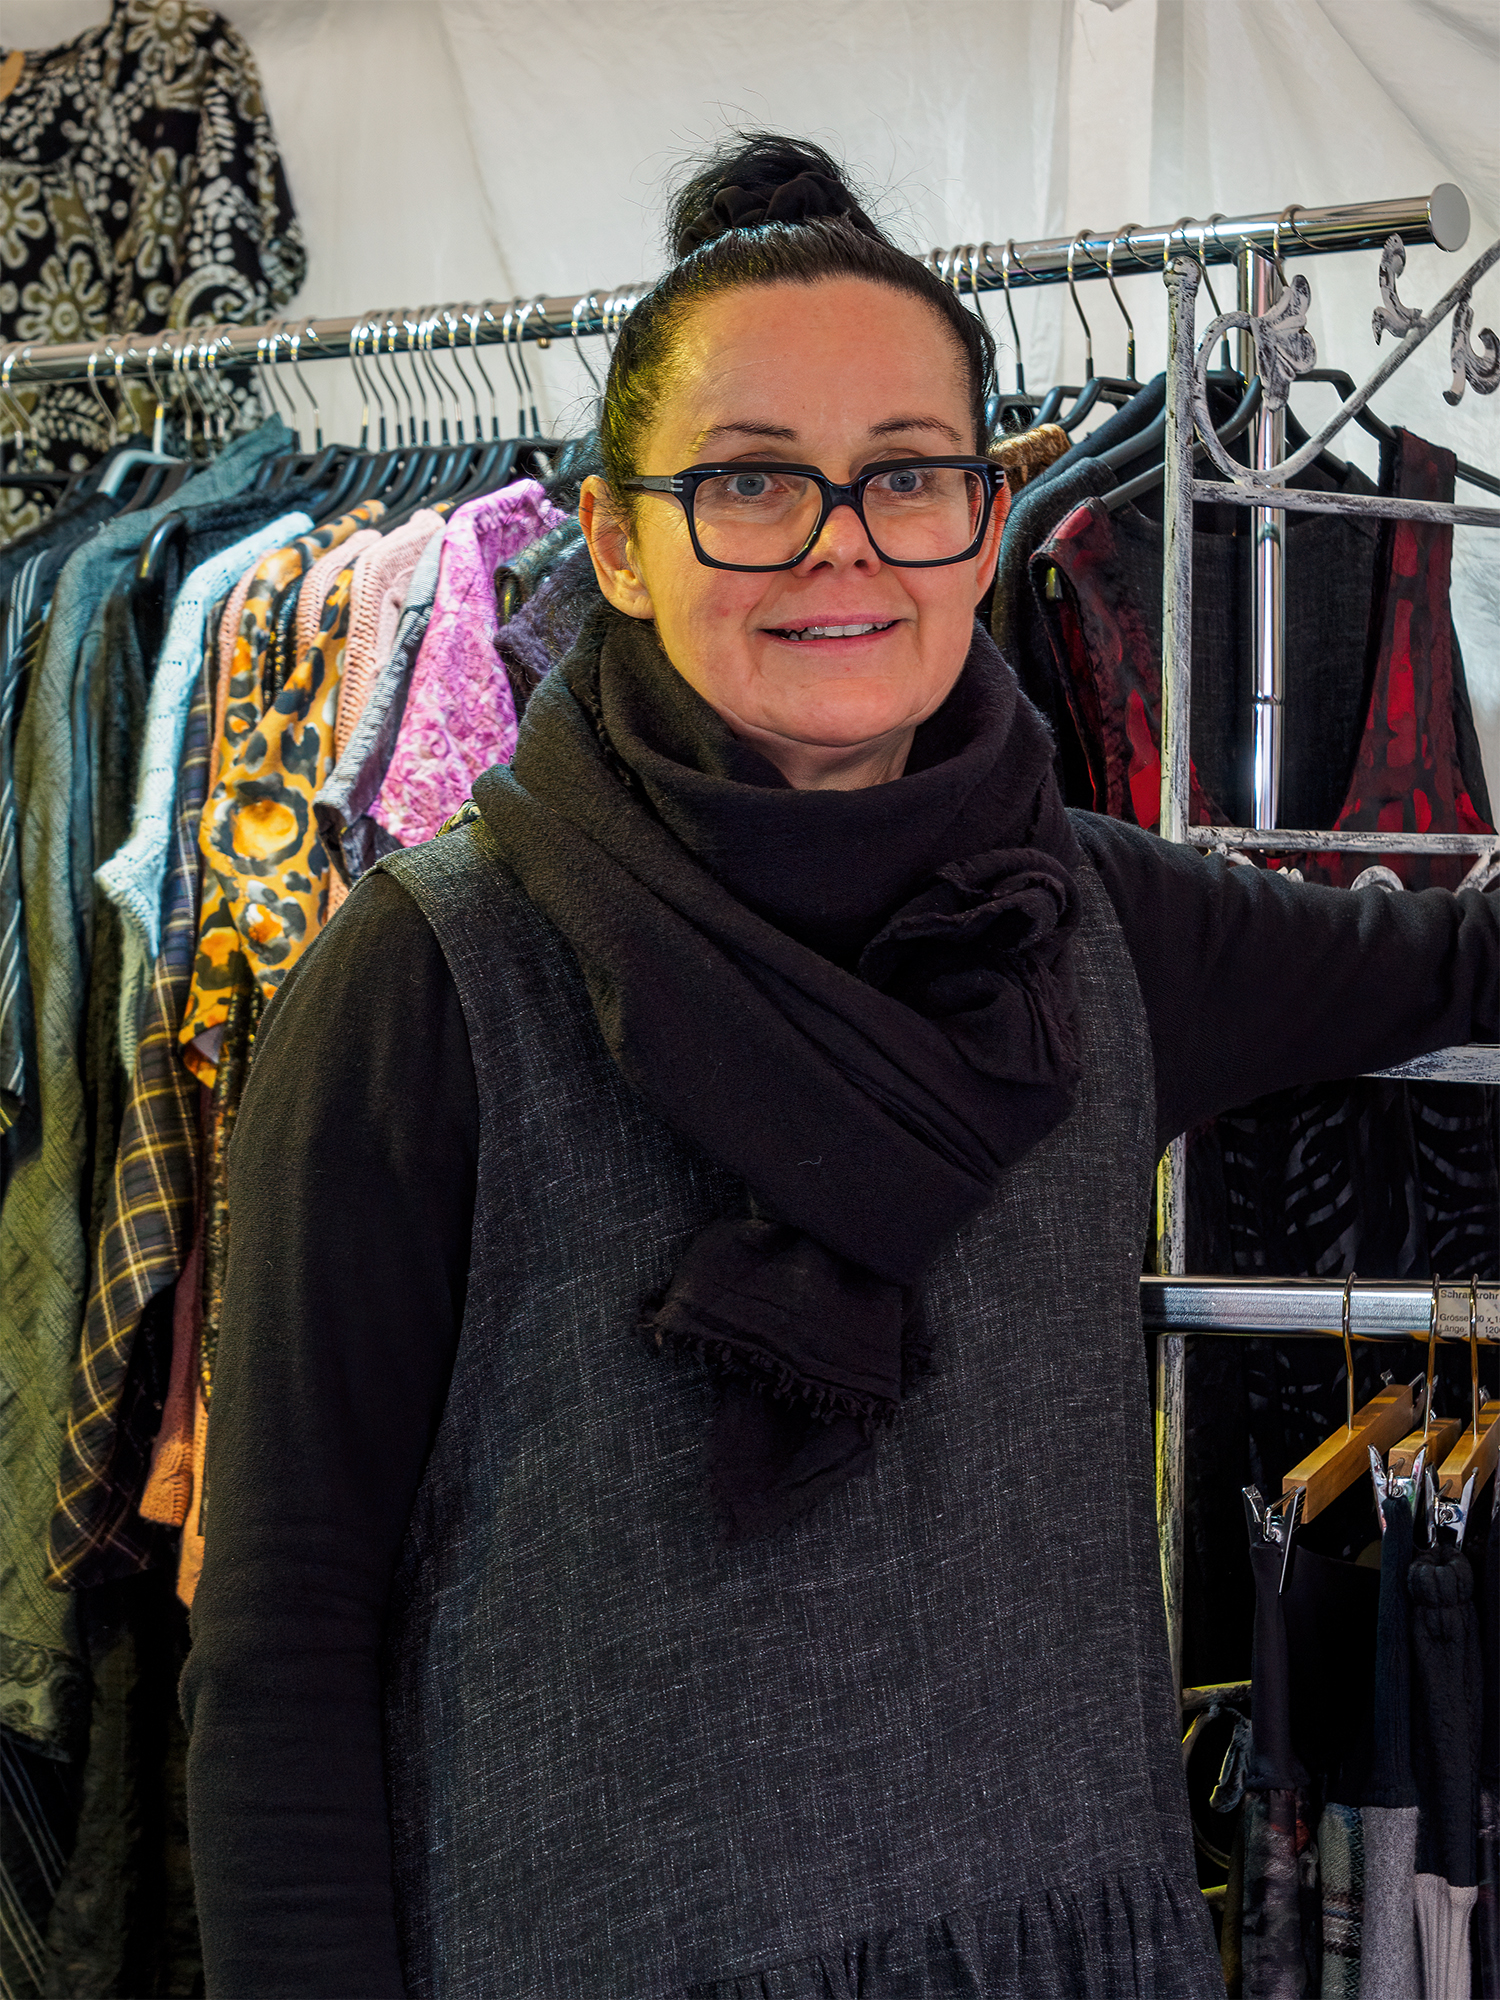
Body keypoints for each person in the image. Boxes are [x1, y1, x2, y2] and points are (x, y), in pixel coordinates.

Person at [183, 135, 1498, 1998]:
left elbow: (1449, 959)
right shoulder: (430, 981)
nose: (840, 546)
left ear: (987, 515)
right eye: (748, 482)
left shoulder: (1097, 925)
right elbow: (284, 1639)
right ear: (616, 539)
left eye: (906, 476)